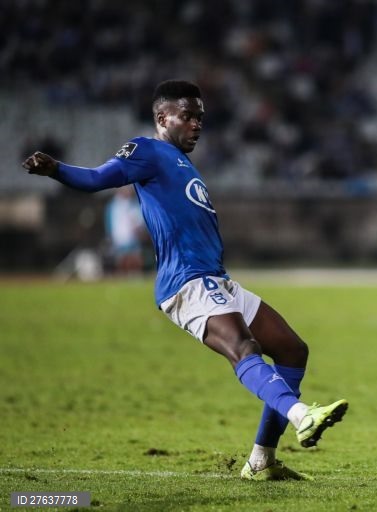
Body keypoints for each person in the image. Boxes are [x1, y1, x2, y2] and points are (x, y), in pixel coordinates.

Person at [22, 79, 348, 481]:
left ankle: (262, 462)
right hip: (186, 283)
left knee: (293, 350)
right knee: (244, 346)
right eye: (187, 116)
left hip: (216, 279)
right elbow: (95, 178)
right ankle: (302, 416)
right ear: (163, 118)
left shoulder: (180, 161)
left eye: (200, 117)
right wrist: (55, 169)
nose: (196, 124)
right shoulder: (147, 150)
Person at [104, 186, 146, 275]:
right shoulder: (112, 206)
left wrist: (139, 228)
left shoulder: (134, 203)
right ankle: (122, 277)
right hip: (119, 237)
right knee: (122, 260)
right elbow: (109, 222)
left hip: (133, 236)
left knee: (135, 259)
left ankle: (136, 275)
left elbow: (140, 219)